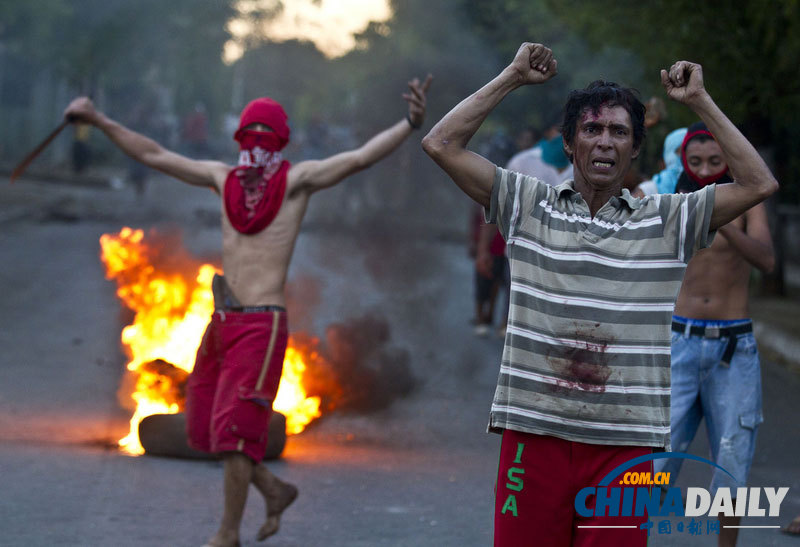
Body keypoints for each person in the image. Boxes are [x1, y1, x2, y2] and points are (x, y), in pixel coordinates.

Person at [422, 42, 777, 546]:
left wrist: (699, 101)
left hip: (626, 450)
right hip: (534, 435)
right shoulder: (527, 202)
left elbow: (759, 182)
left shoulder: (667, 219)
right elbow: (439, 144)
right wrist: (512, 77)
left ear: (635, 149)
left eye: (619, 132)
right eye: (591, 130)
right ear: (569, 144)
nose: (605, 142)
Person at [64, 74, 432, 547]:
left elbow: (359, 158)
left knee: (235, 433)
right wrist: (97, 119)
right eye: (250, 137)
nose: (256, 147)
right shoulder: (224, 179)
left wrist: (409, 123)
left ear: (279, 143)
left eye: (265, 138)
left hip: (262, 323)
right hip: (223, 321)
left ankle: (227, 534)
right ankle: (273, 490)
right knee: (202, 427)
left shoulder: (297, 181)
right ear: (239, 140)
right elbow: (154, 154)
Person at [653, 121, 774, 547]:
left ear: (728, 160)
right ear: (684, 160)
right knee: (654, 461)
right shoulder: (670, 197)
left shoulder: (746, 199)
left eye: (715, 160)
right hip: (678, 339)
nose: (705, 168)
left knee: (731, 457)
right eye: (695, 160)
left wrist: (719, 217)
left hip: (732, 345)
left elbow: (766, 260)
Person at [633, 126, 687, 196]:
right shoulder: (649, 190)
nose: (684, 158)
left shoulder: (702, 188)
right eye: (681, 152)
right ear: (668, 153)